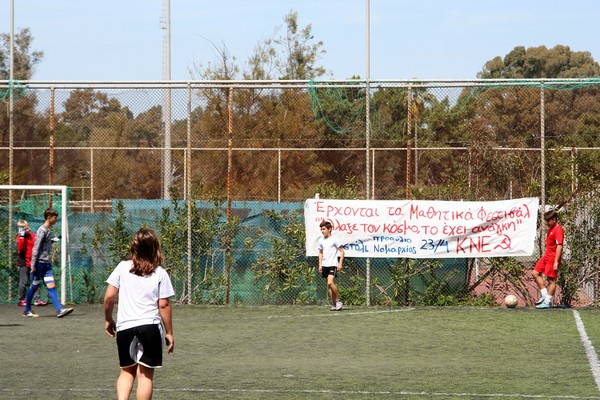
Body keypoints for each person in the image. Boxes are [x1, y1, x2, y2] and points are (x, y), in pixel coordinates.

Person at [104, 228, 175, 400]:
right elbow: (163, 304)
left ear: (134, 247)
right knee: (145, 375)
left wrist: (108, 319)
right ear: (155, 248)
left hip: (125, 327)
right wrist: (169, 332)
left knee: (126, 372)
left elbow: (109, 297)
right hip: (149, 327)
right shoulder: (160, 273)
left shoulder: (122, 267)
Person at [23, 208, 73, 318]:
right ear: (48, 218)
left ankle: (59, 310)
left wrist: (54, 240)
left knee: (51, 286)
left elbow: (46, 243)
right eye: (55, 218)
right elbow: (36, 247)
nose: (56, 220)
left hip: (47, 264)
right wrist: (33, 265)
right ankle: (27, 310)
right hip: (39, 264)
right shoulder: (42, 229)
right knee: (34, 286)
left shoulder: (48, 230)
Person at [533, 209, 565, 309]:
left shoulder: (558, 230)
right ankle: (544, 295)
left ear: (554, 219)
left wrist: (556, 261)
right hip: (546, 256)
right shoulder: (551, 228)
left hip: (552, 258)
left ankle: (547, 302)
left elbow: (559, 246)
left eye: (548, 221)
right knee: (535, 273)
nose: (547, 223)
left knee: (551, 280)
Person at [16, 220, 47, 307]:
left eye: (27, 227)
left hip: (33, 261)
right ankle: (21, 300)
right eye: (23, 228)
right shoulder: (19, 238)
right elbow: (20, 248)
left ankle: (37, 299)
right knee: (23, 282)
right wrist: (22, 236)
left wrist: (50, 240)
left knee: (35, 280)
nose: (27, 230)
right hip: (23, 262)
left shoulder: (33, 236)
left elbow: (39, 243)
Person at [318, 221, 345, 311]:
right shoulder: (321, 240)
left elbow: (342, 251)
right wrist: (320, 265)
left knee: (330, 282)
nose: (322, 231)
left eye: (324, 229)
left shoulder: (334, 239)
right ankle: (334, 304)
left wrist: (340, 263)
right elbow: (320, 253)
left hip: (333, 265)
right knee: (329, 286)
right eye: (321, 229)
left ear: (329, 229)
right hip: (324, 265)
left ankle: (338, 300)